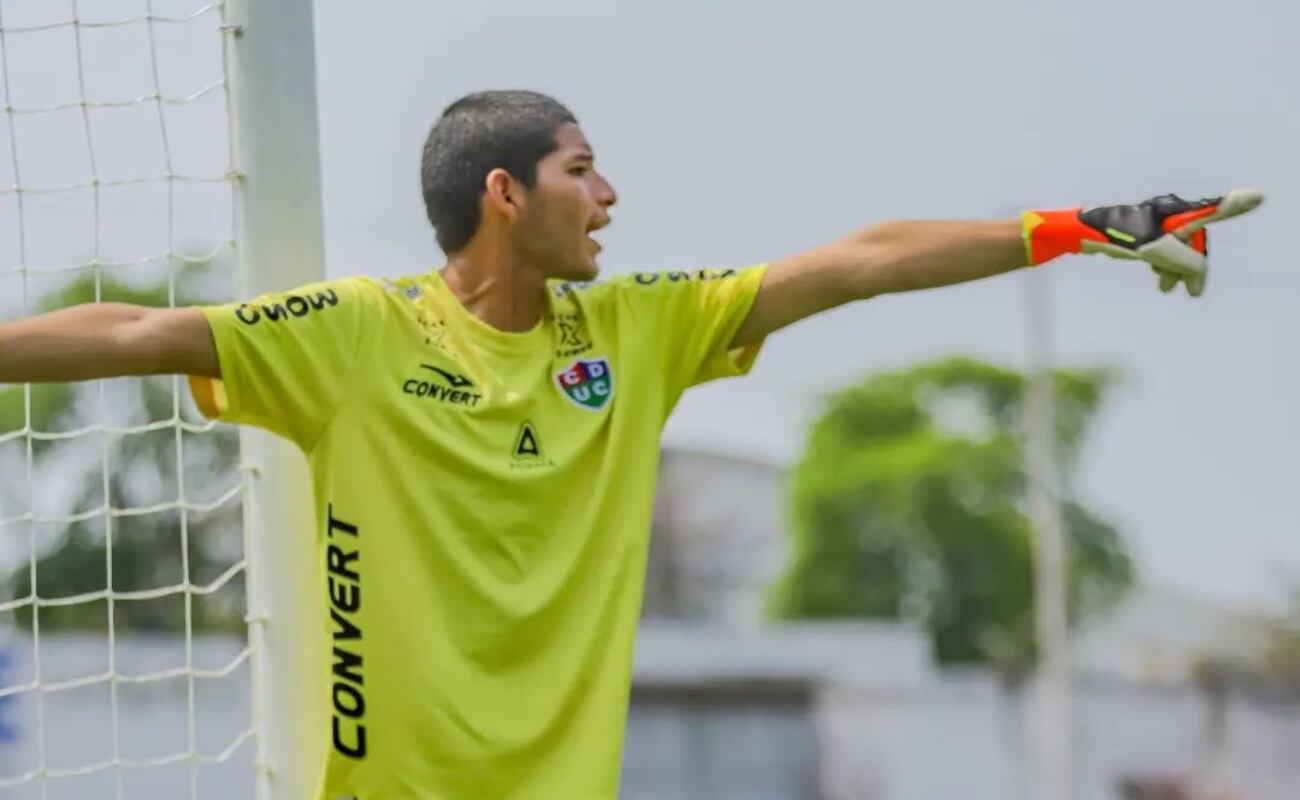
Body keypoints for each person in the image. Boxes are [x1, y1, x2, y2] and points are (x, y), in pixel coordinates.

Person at [0, 90, 1262, 799]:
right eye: (582, 169)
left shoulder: (640, 327)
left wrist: (1079, 226)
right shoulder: (350, 334)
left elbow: (857, 263)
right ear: (506, 193)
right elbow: (143, 327)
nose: (609, 197)